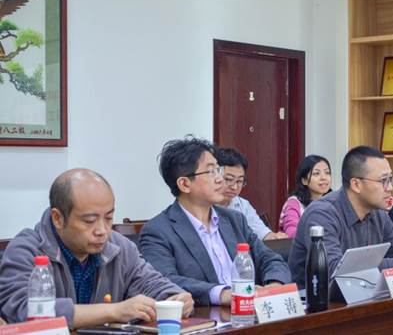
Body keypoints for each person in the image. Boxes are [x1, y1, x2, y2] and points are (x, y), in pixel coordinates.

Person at [0, 169, 193, 327]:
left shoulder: (120, 247)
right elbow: (22, 310)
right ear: (58, 218)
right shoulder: (27, 249)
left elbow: (153, 284)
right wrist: (114, 311)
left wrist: (175, 298)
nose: (102, 230)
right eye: (89, 221)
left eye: (108, 218)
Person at [139, 136, 291, 307]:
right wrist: (222, 294)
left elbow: (271, 259)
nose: (220, 179)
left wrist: (273, 287)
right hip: (205, 318)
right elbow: (164, 281)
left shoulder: (234, 220)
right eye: (211, 171)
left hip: (250, 312)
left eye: (219, 170)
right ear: (184, 184)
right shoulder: (158, 231)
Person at [288, 146, 393, 289]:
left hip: (362, 297)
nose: (390, 187)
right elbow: (335, 270)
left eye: (391, 179)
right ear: (356, 184)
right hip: (318, 306)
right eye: (383, 181)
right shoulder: (321, 214)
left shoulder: (378, 214)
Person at [214, 147, 287, 240]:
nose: (234, 187)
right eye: (229, 179)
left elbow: (262, 234)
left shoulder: (243, 205)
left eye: (239, 181)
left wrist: (275, 237)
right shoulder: (203, 205)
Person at [279, 155, 332, 237]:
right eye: (316, 173)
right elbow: (291, 232)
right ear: (304, 180)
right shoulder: (294, 203)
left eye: (327, 173)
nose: (324, 178)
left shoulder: (333, 202)